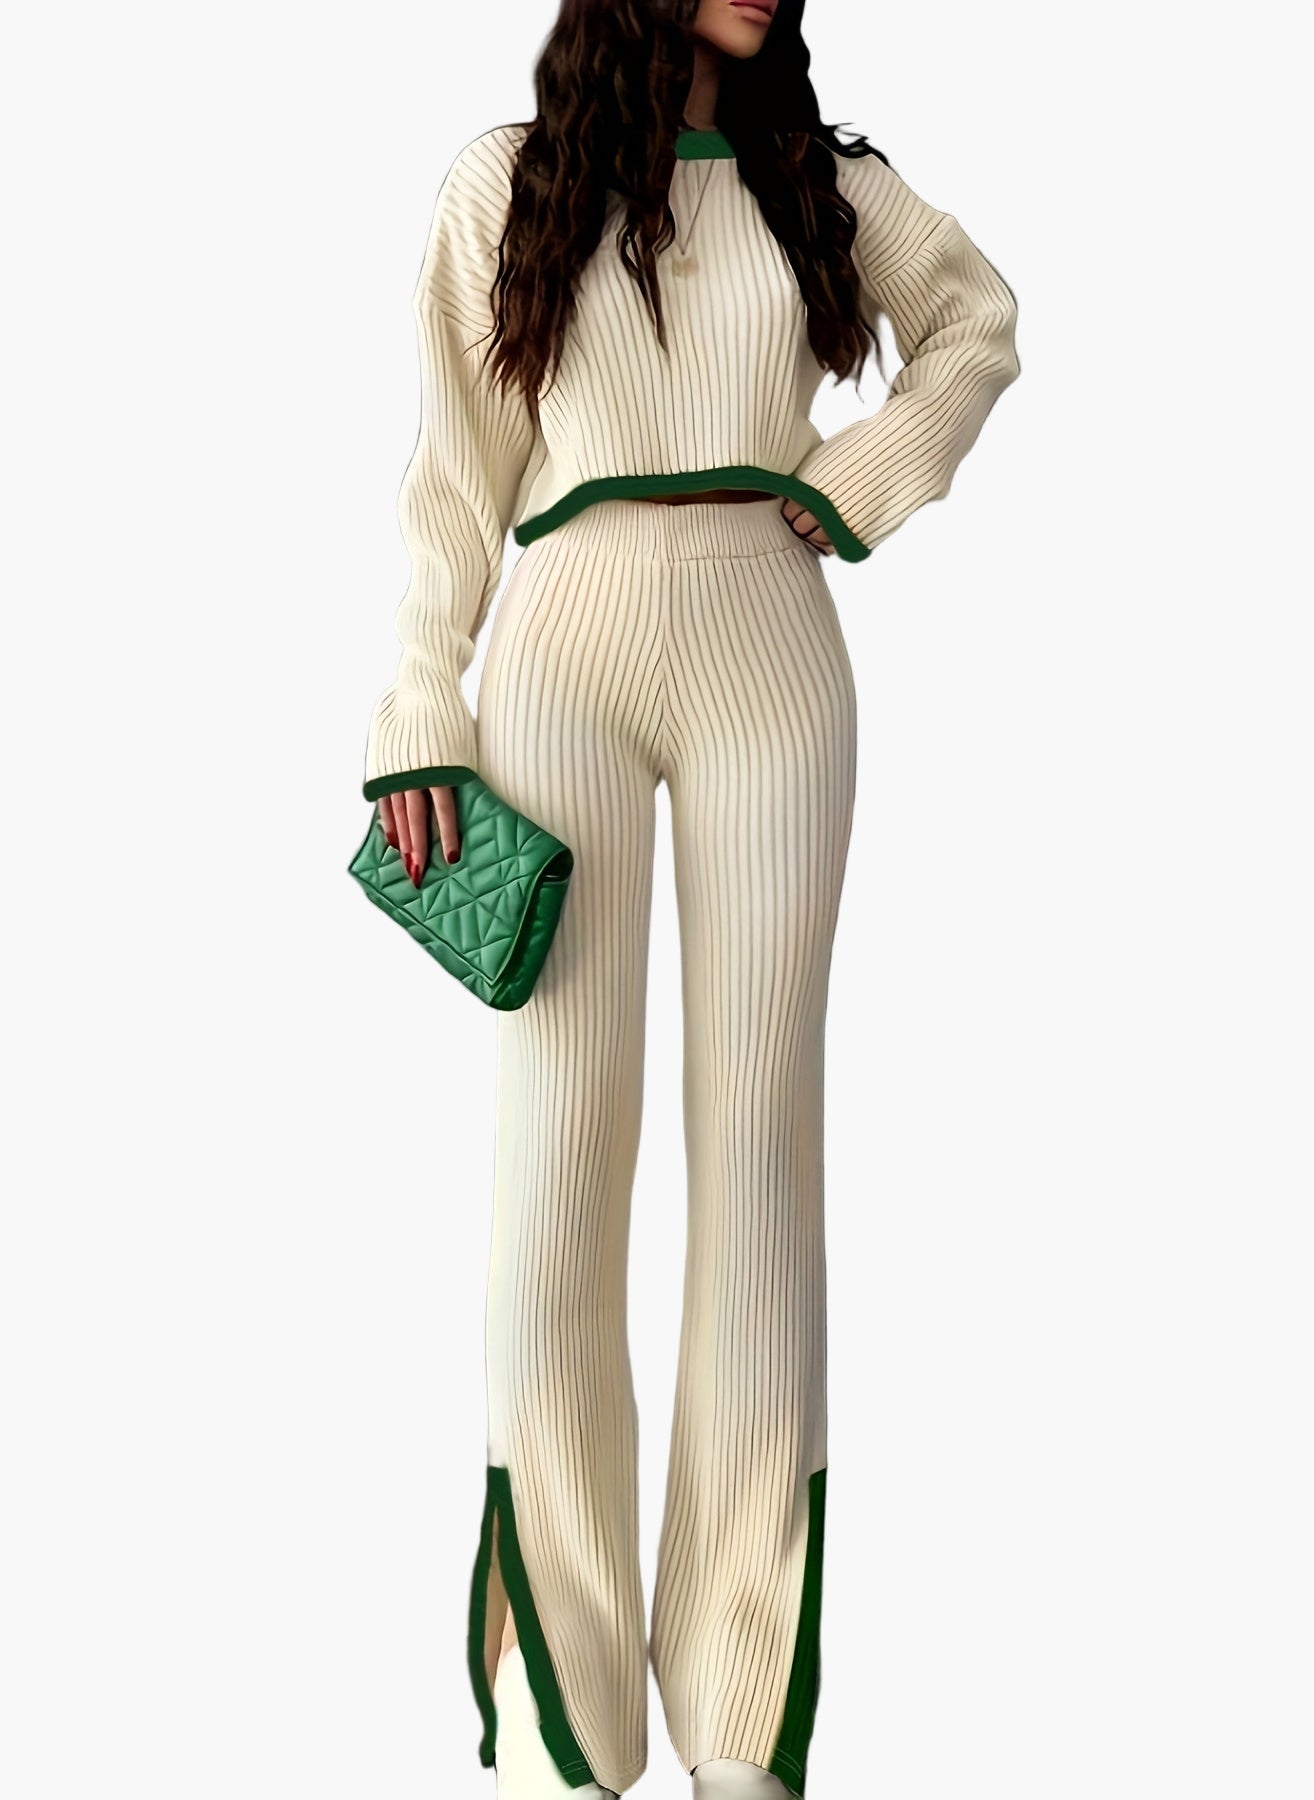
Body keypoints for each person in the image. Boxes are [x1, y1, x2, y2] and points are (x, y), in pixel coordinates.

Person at [359, 2, 1019, 1794]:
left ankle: (741, 1712)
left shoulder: (824, 181)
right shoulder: (505, 184)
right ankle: (557, 1713)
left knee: (758, 1159)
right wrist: (417, 711)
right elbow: (448, 482)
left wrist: (863, 477)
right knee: (555, 1161)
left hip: (770, 649)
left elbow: (976, 319)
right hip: (558, 647)